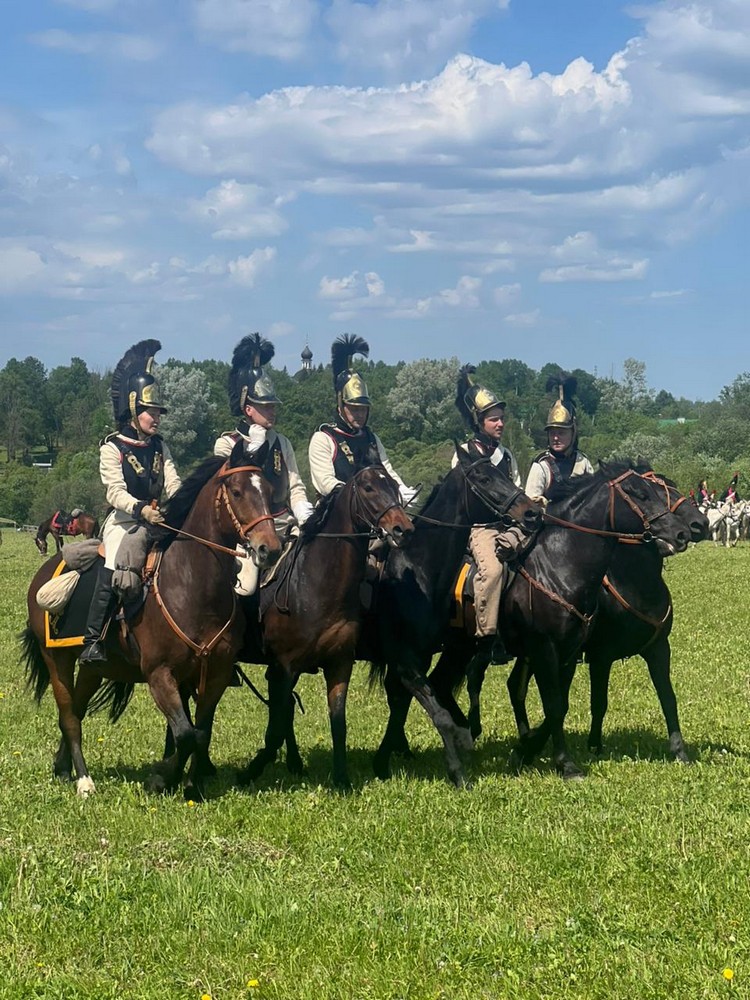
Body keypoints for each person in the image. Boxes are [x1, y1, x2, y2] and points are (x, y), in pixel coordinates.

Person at [79, 339, 182, 664]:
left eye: (158, 412)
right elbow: (114, 491)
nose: (157, 417)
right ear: (135, 409)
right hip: (124, 520)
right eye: (152, 411)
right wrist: (141, 510)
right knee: (115, 561)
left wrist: (182, 506)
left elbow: (174, 481)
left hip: (158, 518)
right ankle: (93, 640)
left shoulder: (159, 446)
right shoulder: (112, 447)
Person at [214, 333, 313, 595]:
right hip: (248, 534)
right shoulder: (226, 444)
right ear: (248, 409)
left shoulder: (282, 442)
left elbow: (295, 485)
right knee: (245, 588)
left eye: (273, 405)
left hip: (284, 523)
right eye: (266, 406)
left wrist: (303, 511)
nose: (273, 410)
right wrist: (251, 448)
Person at [454, 364, 527, 667]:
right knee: (494, 571)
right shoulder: (465, 452)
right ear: (479, 421)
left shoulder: (506, 454)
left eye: (502, 419)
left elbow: (518, 487)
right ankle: (488, 637)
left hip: (511, 524)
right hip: (481, 527)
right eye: (494, 419)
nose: (500, 424)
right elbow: (458, 497)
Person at [308, 334, 417, 504]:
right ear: (340, 406)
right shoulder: (324, 438)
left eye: (363, 409)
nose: (360, 414)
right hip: (335, 509)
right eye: (354, 409)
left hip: (373, 510)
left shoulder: (371, 438)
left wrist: (400, 488)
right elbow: (325, 483)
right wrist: (358, 496)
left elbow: (387, 470)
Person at [525, 373, 593, 504]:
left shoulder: (583, 462)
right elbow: (529, 506)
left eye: (561, 433)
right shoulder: (541, 465)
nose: (555, 437)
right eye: (552, 433)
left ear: (573, 433)